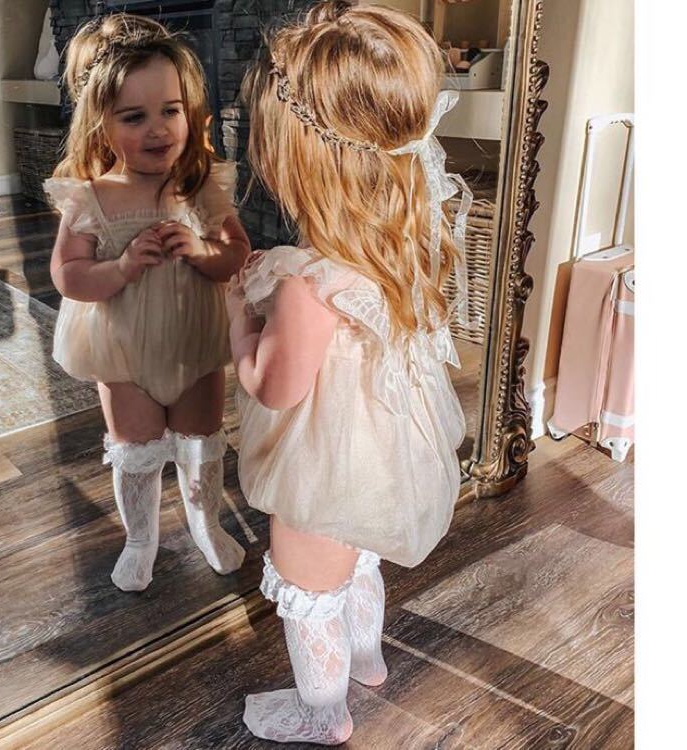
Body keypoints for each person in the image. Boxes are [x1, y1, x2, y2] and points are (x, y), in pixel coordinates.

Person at [227, 1, 471, 743]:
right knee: (359, 561)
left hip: (321, 468)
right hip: (385, 451)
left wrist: (238, 318)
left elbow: (273, 386)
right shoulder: (410, 241)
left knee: (308, 587)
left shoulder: (309, 286)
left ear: (301, 164)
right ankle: (368, 659)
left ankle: (322, 711)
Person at [45, 13, 250, 592]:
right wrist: (121, 267)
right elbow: (67, 275)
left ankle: (205, 521)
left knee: (200, 442)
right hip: (123, 350)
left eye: (171, 110)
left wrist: (202, 250)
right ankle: (140, 537)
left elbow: (236, 254)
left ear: (190, 111)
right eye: (134, 117)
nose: (158, 129)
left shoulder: (200, 187)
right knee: (134, 449)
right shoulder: (91, 198)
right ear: (101, 126)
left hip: (193, 342)